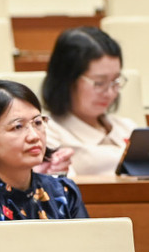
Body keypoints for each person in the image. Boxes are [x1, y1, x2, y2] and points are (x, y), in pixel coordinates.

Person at [0, 80, 88, 226]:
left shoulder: (63, 191)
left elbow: (89, 247)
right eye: (18, 127)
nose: (34, 136)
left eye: (37, 123)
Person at [42, 27, 136, 176]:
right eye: (99, 83)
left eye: (115, 81)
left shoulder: (129, 127)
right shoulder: (46, 134)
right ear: (67, 80)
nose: (110, 92)